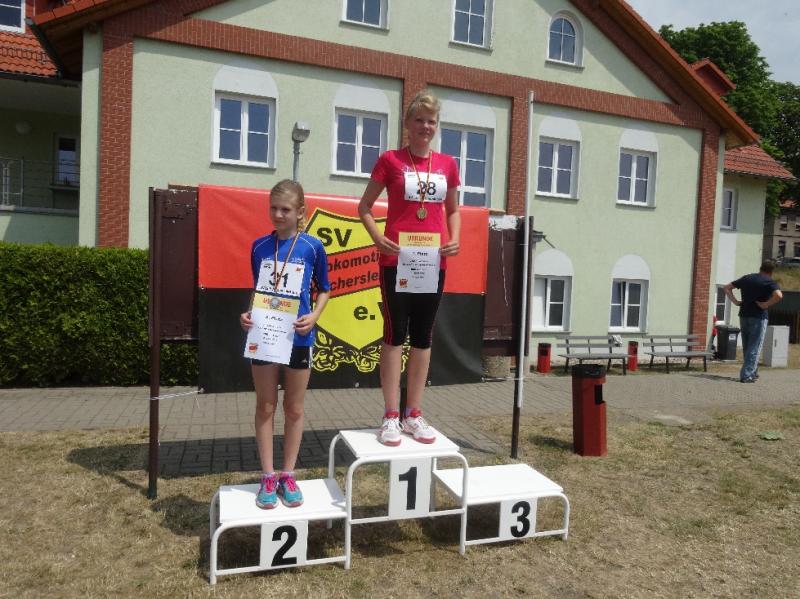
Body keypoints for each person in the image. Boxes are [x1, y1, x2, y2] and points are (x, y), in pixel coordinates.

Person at [358, 90, 461, 446]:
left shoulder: (447, 164)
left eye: (431, 121)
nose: (425, 126)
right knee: (394, 335)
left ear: (436, 126)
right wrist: (377, 238)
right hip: (397, 259)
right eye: (419, 120)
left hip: (433, 260)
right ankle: (390, 415)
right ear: (407, 123)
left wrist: (455, 238)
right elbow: (364, 207)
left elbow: (453, 210)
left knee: (423, 336)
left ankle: (413, 413)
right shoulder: (390, 160)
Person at [240, 179, 331, 508]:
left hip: (298, 336)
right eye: (273, 208)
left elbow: (325, 289)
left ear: (300, 211)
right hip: (265, 335)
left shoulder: (312, 247)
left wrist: (315, 316)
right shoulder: (258, 247)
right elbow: (260, 292)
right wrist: (248, 315)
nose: (278, 215)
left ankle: (288, 474)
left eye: (286, 209)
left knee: (294, 408)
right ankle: (267, 476)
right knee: (265, 406)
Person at [724, 259, 783, 383]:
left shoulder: (747, 278)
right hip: (758, 316)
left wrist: (735, 302)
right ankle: (747, 375)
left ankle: (753, 371)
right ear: (771, 271)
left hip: (744, 315)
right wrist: (766, 304)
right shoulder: (769, 282)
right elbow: (778, 295)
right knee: (755, 346)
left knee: (747, 346)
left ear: (761, 268)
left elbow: (727, 287)